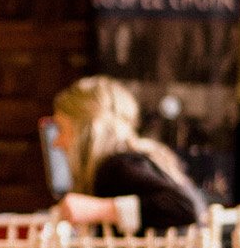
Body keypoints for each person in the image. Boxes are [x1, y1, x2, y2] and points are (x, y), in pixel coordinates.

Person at [46, 76, 206, 234]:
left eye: (61, 129)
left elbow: (185, 206)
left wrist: (101, 209)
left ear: (86, 132)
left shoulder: (117, 167)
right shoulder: (144, 155)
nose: (56, 142)